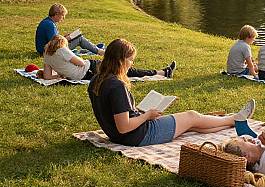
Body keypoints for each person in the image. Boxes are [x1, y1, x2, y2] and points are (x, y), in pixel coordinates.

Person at [88, 38, 255, 146]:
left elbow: (115, 116)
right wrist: (147, 115)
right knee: (192, 116)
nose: (131, 64)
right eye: (130, 60)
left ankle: (233, 123)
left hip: (121, 136)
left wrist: (138, 112)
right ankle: (234, 118)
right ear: (120, 60)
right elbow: (124, 127)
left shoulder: (96, 80)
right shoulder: (117, 86)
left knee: (191, 126)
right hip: (136, 136)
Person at [42, 35, 176, 81]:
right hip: (89, 69)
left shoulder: (47, 55)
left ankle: (161, 72)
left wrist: (61, 75)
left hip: (81, 76)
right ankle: (162, 72)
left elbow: (47, 76)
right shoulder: (62, 50)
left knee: (124, 69)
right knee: (124, 68)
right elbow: (81, 62)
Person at [35, 3, 104, 56]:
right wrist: (68, 38)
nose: (63, 18)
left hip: (44, 50)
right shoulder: (50, 25)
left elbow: (53, 39)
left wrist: (64, 37)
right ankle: (99, 51)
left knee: (78, 38)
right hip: (48, 52)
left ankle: (97, 50)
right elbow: (55, 43)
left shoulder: (48, 22)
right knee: (80, 39)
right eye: (62, 15)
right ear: (56, 14)